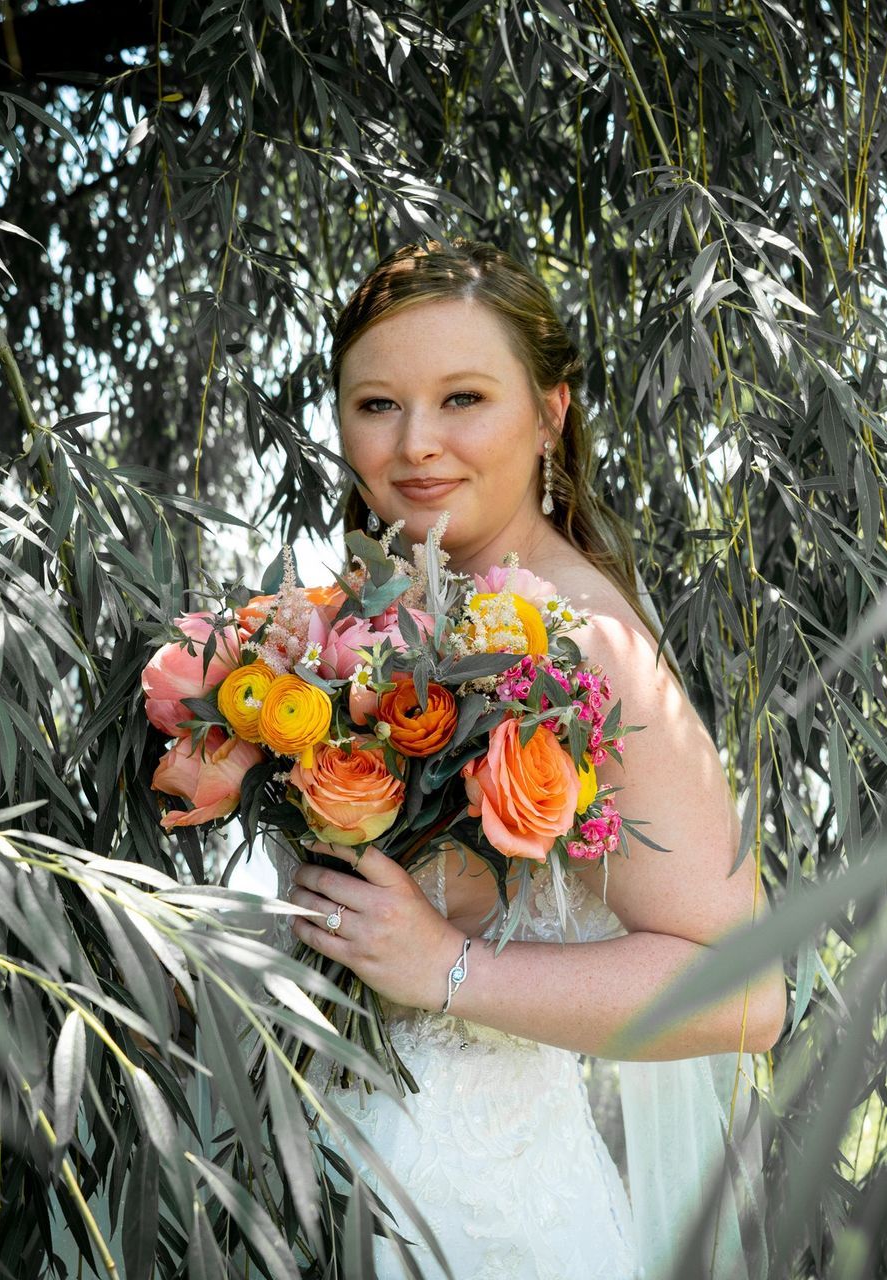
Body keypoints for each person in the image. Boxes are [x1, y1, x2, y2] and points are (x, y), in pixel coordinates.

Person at [273, 236, 783, 1279]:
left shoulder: (589, 642)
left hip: (493, 1229)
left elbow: (747, 996)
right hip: (317, 1203)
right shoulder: (365, 626)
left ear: (550, 412)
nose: (416, 444)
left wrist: (447, 969)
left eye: (463, 397)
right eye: (377, 405)